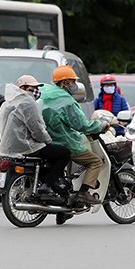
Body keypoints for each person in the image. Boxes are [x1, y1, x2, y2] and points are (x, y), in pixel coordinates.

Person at [39, 65, 109, 206]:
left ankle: (64, 207)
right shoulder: (67, 102)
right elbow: (81, 125)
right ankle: (83, 193)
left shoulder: (45, 97)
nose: (75, 85)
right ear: (65, 83)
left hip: (47, 142)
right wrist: (100, 125)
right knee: (95, 161)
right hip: (65, 143)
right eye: (73, 81)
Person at [0, 75, 71, 202]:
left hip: (7, 148)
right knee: (64, 153)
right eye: (33, 88)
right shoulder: (28, 103)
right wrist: (48, 140)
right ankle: (47, 186)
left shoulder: (7, 103)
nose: (36, 91)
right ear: (23, 88)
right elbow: (36, 129)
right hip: (26, 146)